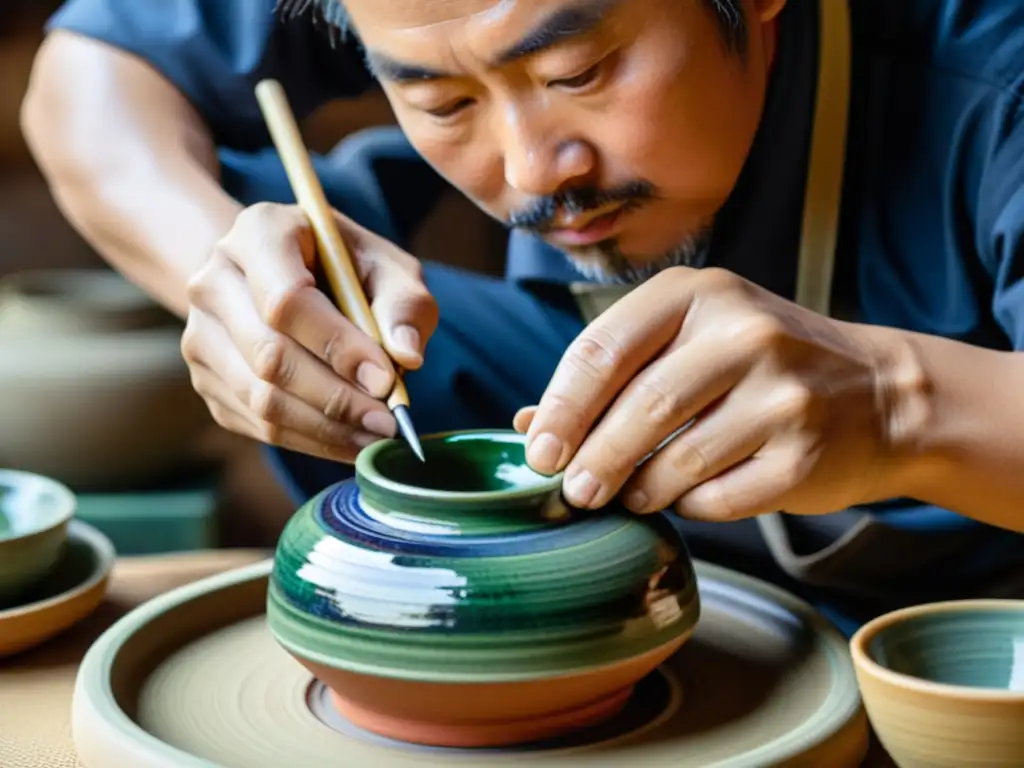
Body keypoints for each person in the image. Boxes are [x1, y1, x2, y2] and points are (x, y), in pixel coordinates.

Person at [21, 0, 1024, 635]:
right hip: (582, 393)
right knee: (350, 322)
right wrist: (232, 274)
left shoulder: (997, 66)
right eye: (443, 100)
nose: (532, 176)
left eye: (575, 76)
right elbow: (92, 69)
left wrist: (900, 408)